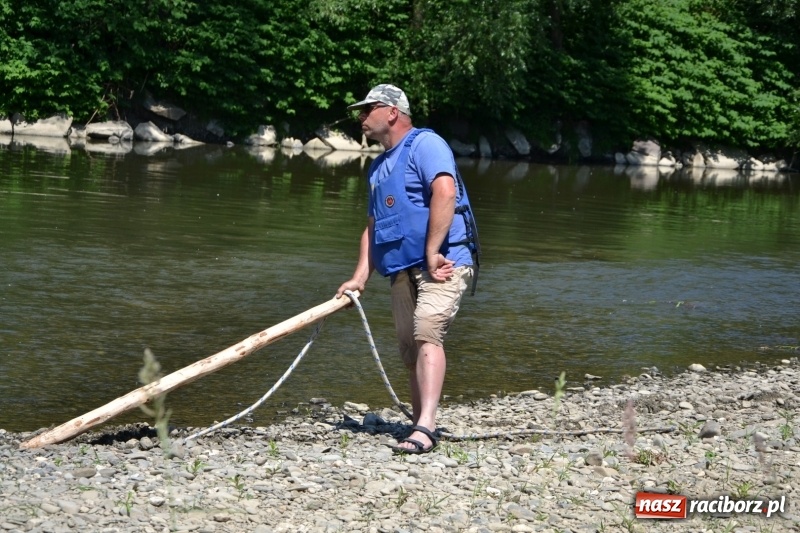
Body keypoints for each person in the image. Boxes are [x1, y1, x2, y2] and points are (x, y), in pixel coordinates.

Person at [335, 83, 480, 454]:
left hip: (443, 262)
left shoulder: (425, 145)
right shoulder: (378, 167)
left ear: (393, 112)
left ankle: (426, 429)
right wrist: (359, 278)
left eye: (368, 110)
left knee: (427, 328)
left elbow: (445, 192)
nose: (361, 118)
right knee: (407, 347)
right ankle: (419, 422)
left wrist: (432, 251)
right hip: (400, 269)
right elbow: (373, 227)